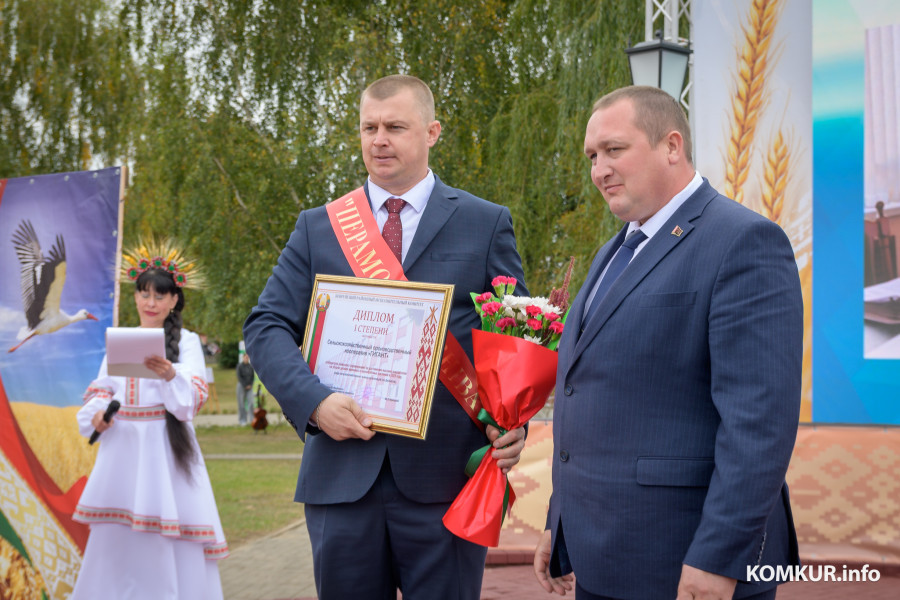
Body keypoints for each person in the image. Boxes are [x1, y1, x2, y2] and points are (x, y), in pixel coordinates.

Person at [243, 74, 527, 599]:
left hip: (447, 481)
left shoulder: (485, 223)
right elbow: (265, 326)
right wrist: (313, 403)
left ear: (432, 131)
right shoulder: (319, 227)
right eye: (369, 127)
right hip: (341, 477)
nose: (379, 139)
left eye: (395, 126)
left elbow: (515, 339)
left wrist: (513, 423)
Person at [533, 86, 803, 600]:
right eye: (592, 156)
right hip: (602, 557)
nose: (599, 170)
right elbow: (587, 396)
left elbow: (758, 424)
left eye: (614, 150)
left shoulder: (744, 242)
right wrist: (559, 521)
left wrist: (718, 558)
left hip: (686, 566)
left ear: (672, 146)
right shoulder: (612, 254)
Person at [72, 242, 227, 599]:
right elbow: (101, 389)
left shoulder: (186, 342)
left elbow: (191, 402)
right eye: (144, 294)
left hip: (165, 451)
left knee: (168, 536)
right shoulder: (122, 339)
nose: (150, 302)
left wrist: (171, 374)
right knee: (117, 537)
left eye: (160, 295)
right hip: (122, 448)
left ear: (174, 300)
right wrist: (97, 414)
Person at [236, 352, 255, 425]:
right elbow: (239, 377)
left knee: (251, 403)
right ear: (243, 358)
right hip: (241, 386)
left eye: (248, 357)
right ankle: (242, 420)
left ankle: (252, 420)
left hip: (249, 386)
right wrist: (245, 385)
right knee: (241, 404)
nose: (246, 358)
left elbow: (252, 377)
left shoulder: (250, 367)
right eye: (245, 357)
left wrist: (250, 385)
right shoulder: (240, 366)